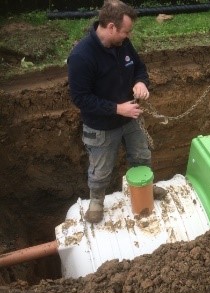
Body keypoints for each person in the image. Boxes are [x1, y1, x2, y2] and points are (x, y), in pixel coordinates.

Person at [68, 0, 166, 224]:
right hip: (101, 126)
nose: (127, 36)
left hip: (130, 118)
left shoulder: (123, 45)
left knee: (141, 156)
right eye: (125, 31)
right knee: (101, 170)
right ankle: (96, 201)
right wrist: (116, 108)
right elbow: (80, 98)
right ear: (111, 27)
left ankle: (145, 188)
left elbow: (139, 67)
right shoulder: (82, 56)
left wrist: (141, 82)